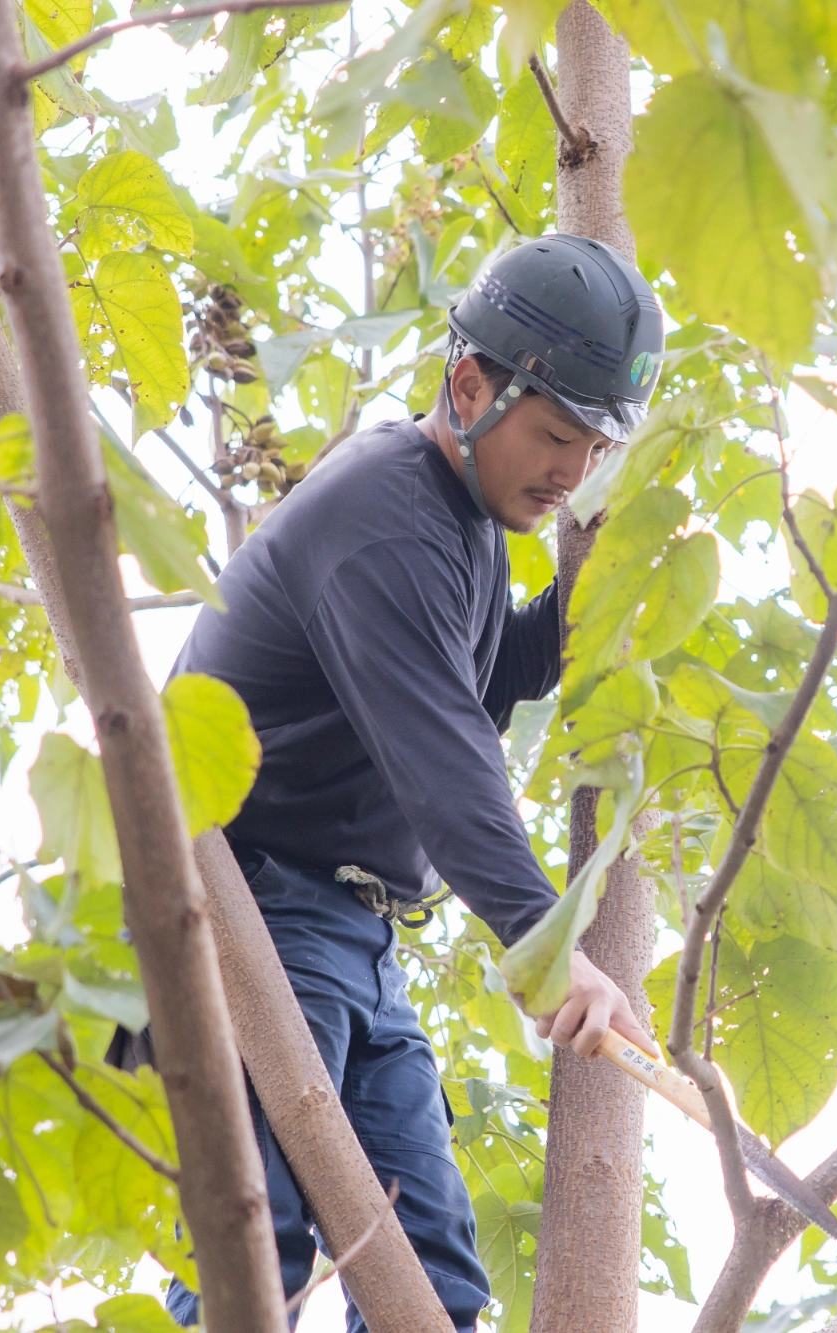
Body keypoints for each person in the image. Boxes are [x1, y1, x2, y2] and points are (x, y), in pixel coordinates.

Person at [150, 234, 665, 1331]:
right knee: (256, 1253)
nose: (570, 473)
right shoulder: (386, 514)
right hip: (255, 913)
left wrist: (607, 586)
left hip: (354, 937)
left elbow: (484, 682)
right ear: (469, 384)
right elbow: (444, 757)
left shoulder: (468, 524)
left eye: (592, 451)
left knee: (430, 1281)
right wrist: (542, 939)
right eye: (554, 437)